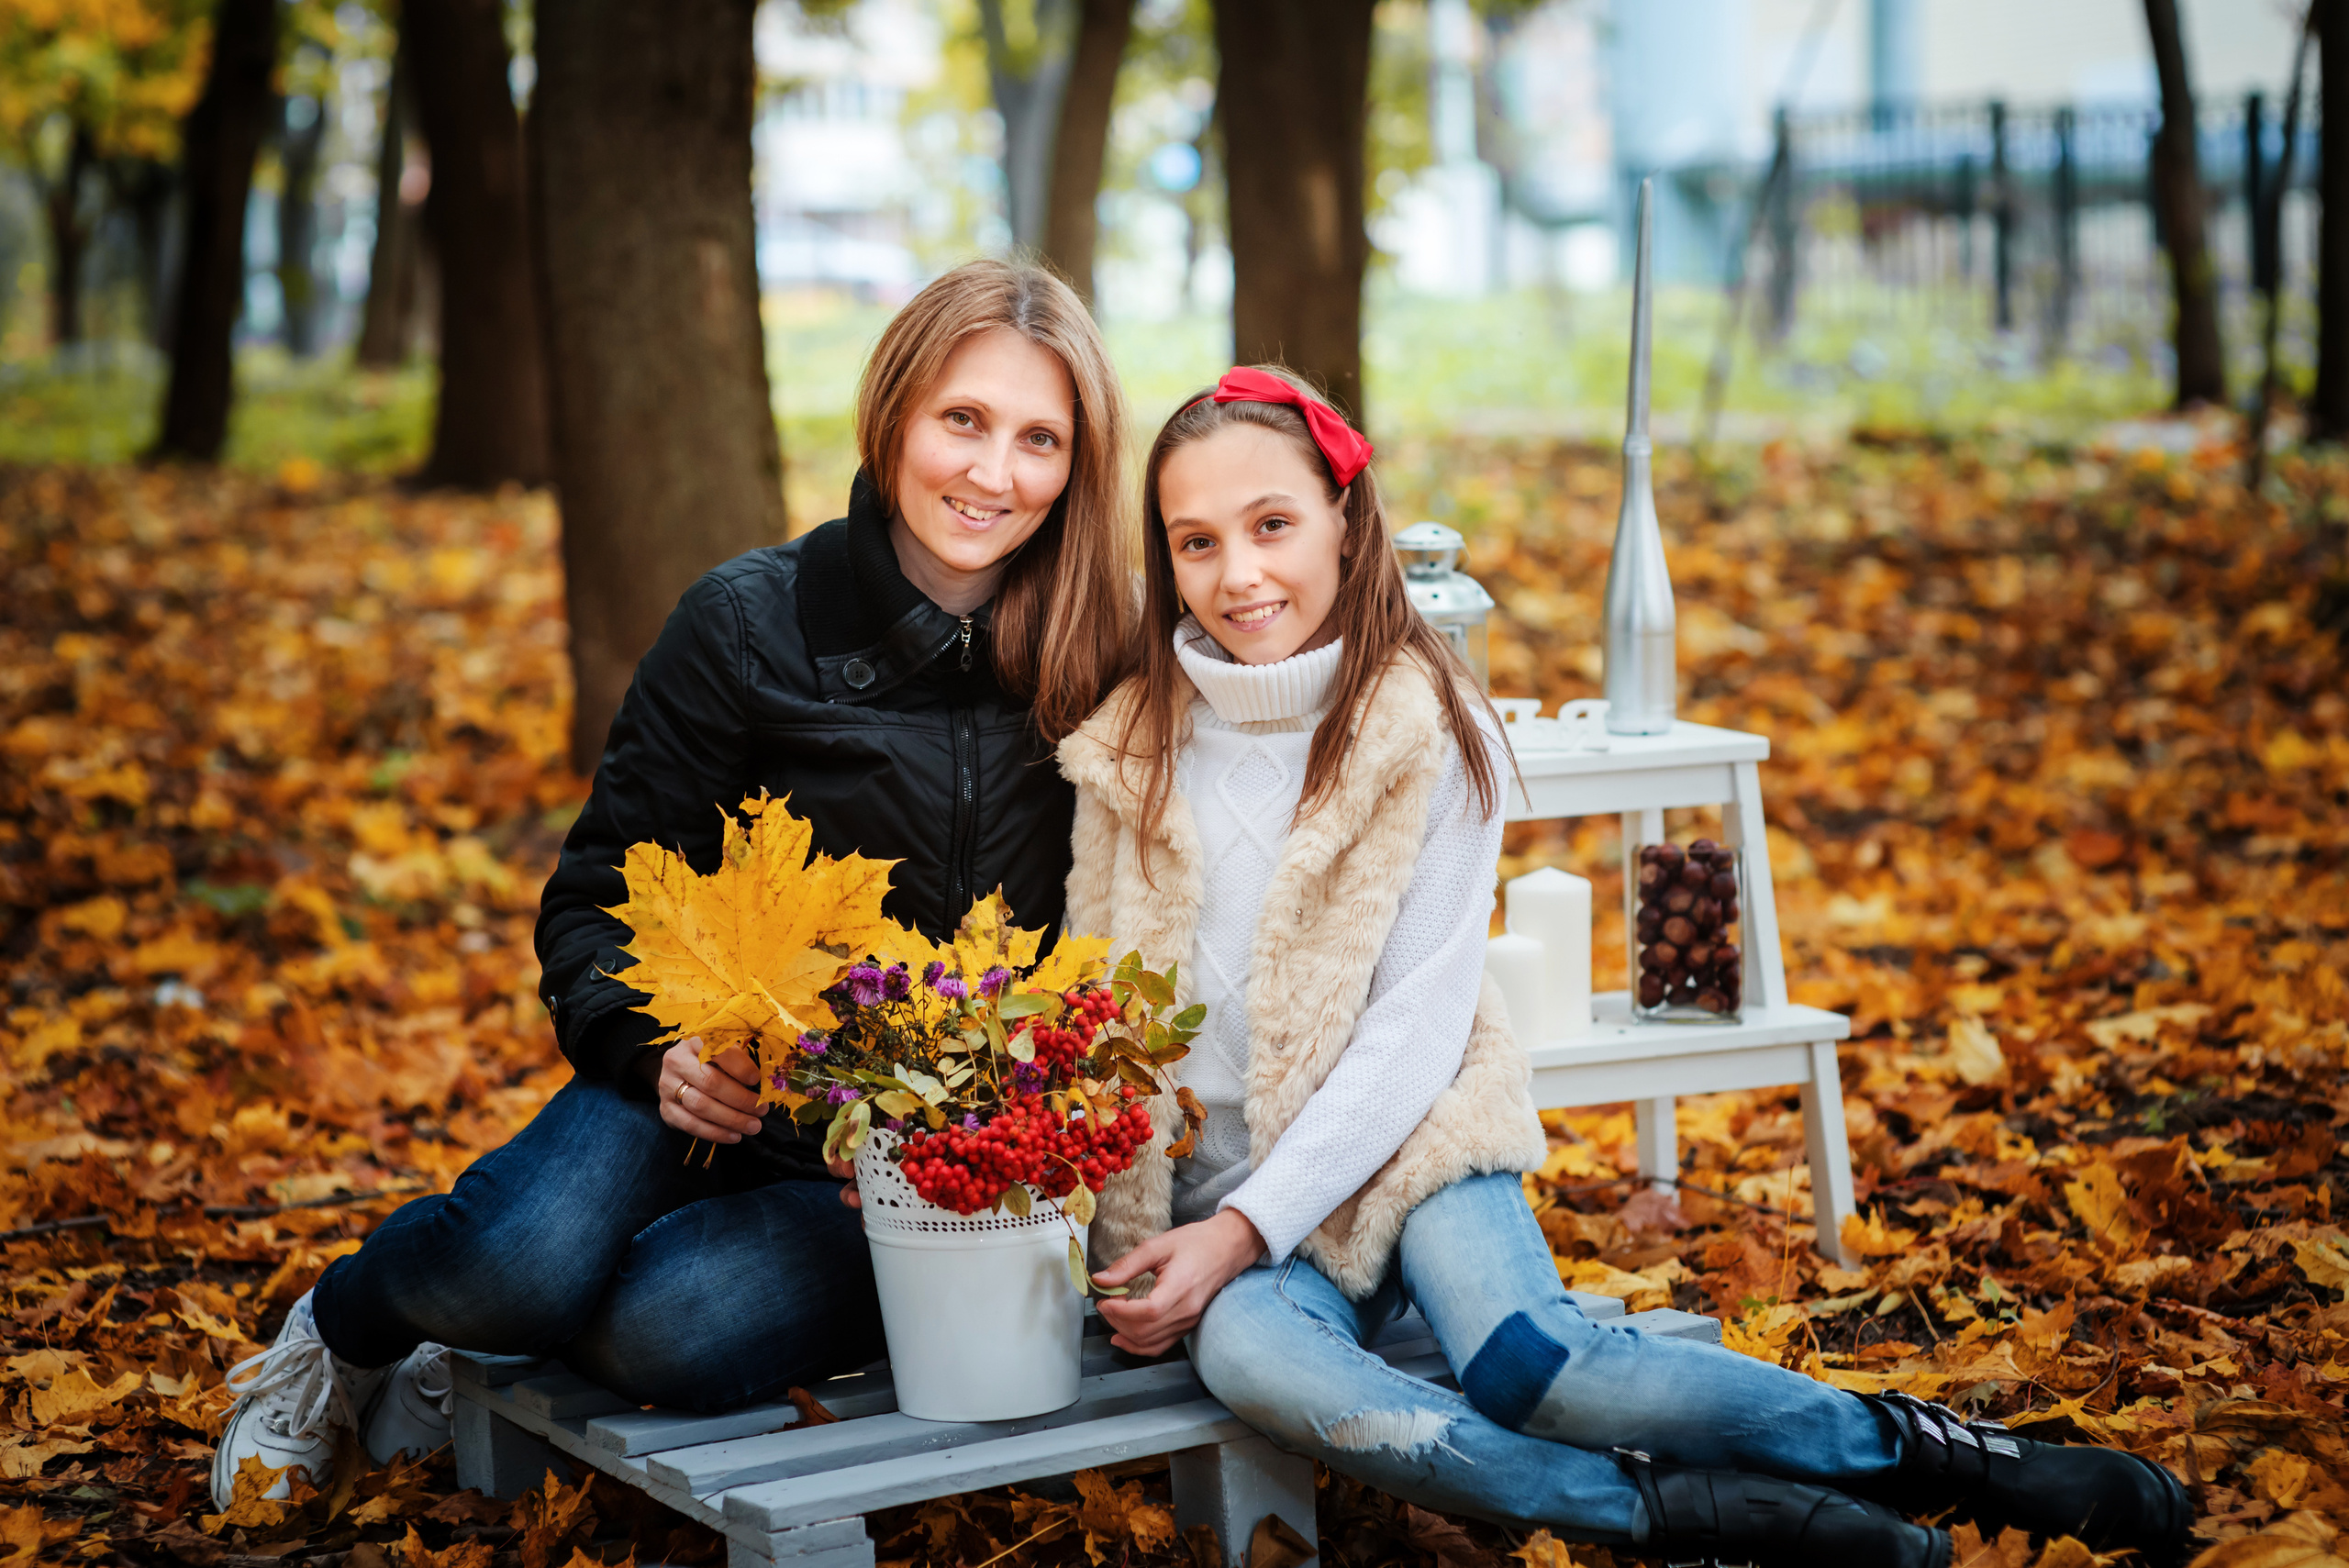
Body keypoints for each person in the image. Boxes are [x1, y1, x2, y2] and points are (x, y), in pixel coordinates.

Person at [1055, 366, 2193, 1568]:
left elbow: (1413, 1033)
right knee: (1254, 1361)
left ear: (1346, 519)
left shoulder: (1426, 724)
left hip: (1407, 1139)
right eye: (1197, 540)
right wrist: (1186, 1225)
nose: (1239, 572)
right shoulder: (1128, 747)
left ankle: (1926, 1453)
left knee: (1533, 1362)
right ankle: (1678, 1513)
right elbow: (1100, 997)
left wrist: (1246, 1227)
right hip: (1223, 1195)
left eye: (1273, 524)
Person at [209, 261, 1133, 1507]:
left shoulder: (1106, 656)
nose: (993, 472)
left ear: (1077, 464)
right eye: (962, 419)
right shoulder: (750, 623)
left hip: (901, 1162)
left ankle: (496, 1342)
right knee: (515, 1264)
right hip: (697, 1082)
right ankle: (342, 1333)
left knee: (670, 1326)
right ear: (894, 414)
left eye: (1039, 439)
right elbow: (591, 894)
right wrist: (658, 1049)